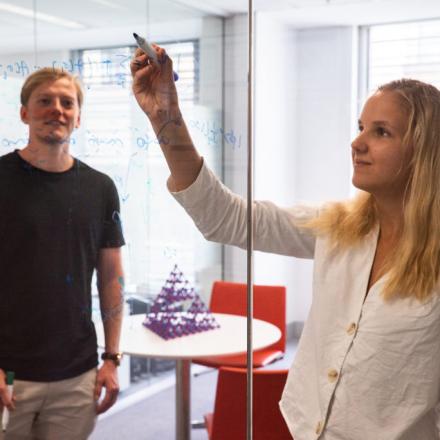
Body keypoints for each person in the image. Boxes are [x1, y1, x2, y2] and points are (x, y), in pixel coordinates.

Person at [130, 45, 440, 439]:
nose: (357, 143)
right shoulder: (339, 229)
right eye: (360, 127)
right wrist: (165, 117)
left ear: (425, 152)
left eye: (381, 132)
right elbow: (223, 217)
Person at [0, 67, 125, 439]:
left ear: (78, 117)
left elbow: (111, 278)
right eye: (45, 101)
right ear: (24, 113)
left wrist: (112, 358)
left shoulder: (101, 188)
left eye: (66, 103)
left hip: (77, 373)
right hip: (8, 373)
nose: (57, 110)